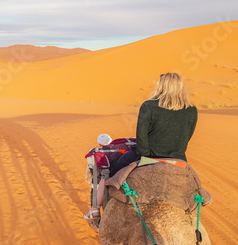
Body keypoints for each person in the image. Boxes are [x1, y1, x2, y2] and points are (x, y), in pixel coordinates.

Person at [84, 73, 198, 220]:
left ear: (161, 85)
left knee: (107, 172)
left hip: (147, 157)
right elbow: (187, 136)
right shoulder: (191, 109)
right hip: (178, 160)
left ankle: (95, 208)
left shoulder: (149, 106)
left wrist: (144, 155)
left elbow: (141, 137)